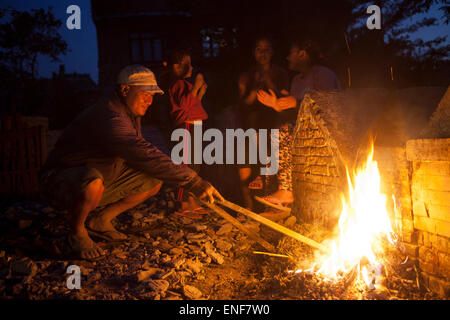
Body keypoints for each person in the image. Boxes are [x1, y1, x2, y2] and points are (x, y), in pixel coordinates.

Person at [39, 64, 223, 260]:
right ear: (125, 89)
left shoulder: (128, 113)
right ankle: (77, 233)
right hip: (59, 181)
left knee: (151, 178)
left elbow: (145, 156)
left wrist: (186, 178)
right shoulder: (109, 116)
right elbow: (140, 152)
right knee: (92, 181)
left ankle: (100, 221)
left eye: (153, 96)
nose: (150, 101)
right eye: (145, 94)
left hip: (99, 177)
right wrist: (192, 181)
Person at [256, 39, 341, 207]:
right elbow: (294, 111)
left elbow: (330, 105)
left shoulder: (323, 74)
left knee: (284, 130)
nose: (287, 57)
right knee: (272, 131)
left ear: (301, 54)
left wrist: (296, 102)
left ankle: (286, 190)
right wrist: (276, 104)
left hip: (325, 130)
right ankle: (273, 196)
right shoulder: (296, 81)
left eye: (290, 53)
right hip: (303, 129)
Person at [237, 37, 289, 210]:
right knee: (244, 163)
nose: (263, 53)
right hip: (250, 125)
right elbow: (245, 103)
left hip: (273, 122)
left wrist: (268, 82)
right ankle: (248, 206)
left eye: (267, 49)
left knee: (269, 160)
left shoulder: (280, 73)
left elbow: (284, 100)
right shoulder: (246, 75)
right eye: (259, 49)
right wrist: (256, 85)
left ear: (272, 52)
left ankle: (269, 205)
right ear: (254, 53)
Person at [161, 49, 209, 215]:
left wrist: (199, 91)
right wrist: (196, 87)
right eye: (187, 64)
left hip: (193, 126)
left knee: (194, 164)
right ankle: (182, 202)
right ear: (176, 66)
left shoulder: (184, 84)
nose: (191, 67)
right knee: (186, 164)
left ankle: (190, 200)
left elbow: (193, 104)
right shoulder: (177, 84)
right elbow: (185, 104)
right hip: (186, 127)